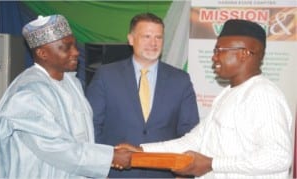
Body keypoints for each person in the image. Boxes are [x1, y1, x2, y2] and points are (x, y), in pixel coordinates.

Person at [119, 19, 293, 178]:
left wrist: (211, 164)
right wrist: (141, 152)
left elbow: (277, 156)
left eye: (219, 50)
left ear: (244, 54)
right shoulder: (227, 94)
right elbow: (195, 140)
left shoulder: (262, 94)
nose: (214, 57)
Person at [0, 14, 132, 178]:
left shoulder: (71, 82)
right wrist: (109, 157)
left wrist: (110, 153)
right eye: (66, 47)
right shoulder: (27, 93)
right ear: (42, 53)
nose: (76, 52)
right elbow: (55, 148)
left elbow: (82, 138)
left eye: (74, 45)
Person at [85, 12, 200, 178]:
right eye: (146, 36)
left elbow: (190, 130)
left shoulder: (180, 79)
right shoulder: (106, 75)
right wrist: (103, 163)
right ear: (131, 39)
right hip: (116, 173)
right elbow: (92, 126)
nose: (153, 43)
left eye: (158, 37)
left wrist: (183, 171)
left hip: (163, 173)